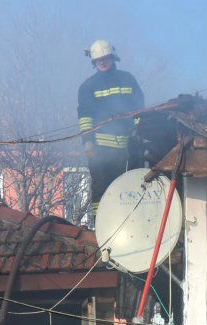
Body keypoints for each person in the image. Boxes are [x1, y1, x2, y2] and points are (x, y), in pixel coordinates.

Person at [77, 39, 144, 222]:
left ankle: (130, 221)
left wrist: (138, 129)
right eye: (99, 60)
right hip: (101, 150)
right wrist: (88, 142)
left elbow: (139, 107)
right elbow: (84, 116)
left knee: (130, 186)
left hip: (129, 147)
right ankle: (101, 224)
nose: (103, 62)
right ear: (94, 62)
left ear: (113, 57)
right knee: (101, 188)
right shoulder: (88, 87)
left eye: (106, 58)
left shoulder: (128, 79)